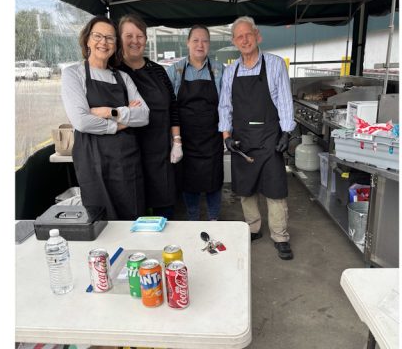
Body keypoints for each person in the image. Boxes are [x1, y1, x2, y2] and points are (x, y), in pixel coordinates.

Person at [218, 16, 296, 260]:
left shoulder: (274, 65)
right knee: (246, 190)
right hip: (242, 139)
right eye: (239, 36)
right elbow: (224, 106)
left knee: (275, 190)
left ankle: (280, 236)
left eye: (248, 34)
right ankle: (252, 228)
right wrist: (226, 136)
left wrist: (287, 132)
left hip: (270, 136)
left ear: (257, 35)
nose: (244, 40)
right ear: (234, 41)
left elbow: (284, 100)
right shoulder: (230, 71)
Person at [61, 16, 150, 220]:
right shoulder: (73, 74)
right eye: (98, 36)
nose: (104, 42)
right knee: (101, 220)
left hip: (127, 161)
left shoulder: (122, 77)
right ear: (87, 40)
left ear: (115, 44)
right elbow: (81, 121)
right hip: (92, 161)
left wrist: (110, 112)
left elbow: (144, 115)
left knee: (132, 216)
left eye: (110, 38)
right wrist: (119, 125)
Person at [117, 14, 180, 220]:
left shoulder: (158, 71)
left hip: (160, 153)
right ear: (119, 38)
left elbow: (173, 107)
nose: (135, 41)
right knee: (134, 213)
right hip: (127, 154)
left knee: (165, 213)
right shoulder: (113, 72)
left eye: (140, 35)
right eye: (129, 35)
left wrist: (177, 141)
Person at [166, 25, 225, 221]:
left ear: (210, 44)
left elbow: (226, 105)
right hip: (185, 139)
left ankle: (214, 219)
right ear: (188, 43)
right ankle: (192, 218)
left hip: (212, 138)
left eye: (205, 41)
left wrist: (227, 134)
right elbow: (169, 107)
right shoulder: (174, 70)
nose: (200, 45)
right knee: (188, 181)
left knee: (214, 180)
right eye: (196, 40)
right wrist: (175, 141)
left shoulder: (219, 70)